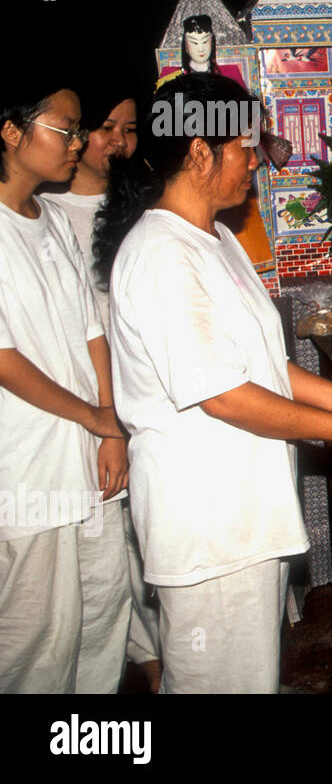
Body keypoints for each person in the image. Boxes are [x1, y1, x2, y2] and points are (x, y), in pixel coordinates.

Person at [97, 72, 332, 693]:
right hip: (208, 523)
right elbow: (223, 395)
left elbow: (260, 365)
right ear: (198, 152)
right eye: (244, 147)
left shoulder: (215, 238)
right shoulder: (162, 254)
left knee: (247, 680)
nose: (255, 163)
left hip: (244, 513)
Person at [0, 82, 131, 693]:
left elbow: (91, 332)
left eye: (81, 131)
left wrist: (109, 427)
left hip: (88, 454)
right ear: (11, 131)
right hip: (28, 467)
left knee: (103, 614)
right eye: (67, 128)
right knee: (37, 642)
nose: (78, 143)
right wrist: (93, 416)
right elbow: (5, 360)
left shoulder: (49, 217)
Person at [40, 79, 164, 693]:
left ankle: (157, 663)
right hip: (81, 407)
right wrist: (100, 417)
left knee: (141, 543)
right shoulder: (42, 214)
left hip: (143, 394)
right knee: (90, 568)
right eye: (105, 127)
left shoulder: (143, 206)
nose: (118, 141)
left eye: (130, 129)